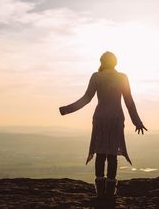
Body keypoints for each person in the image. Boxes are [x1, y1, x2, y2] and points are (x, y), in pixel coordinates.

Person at [59, 51, 147, 199]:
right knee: (112, 155)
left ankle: (100, 192)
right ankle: (110, 192)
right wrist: (137, 121)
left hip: (100, 119)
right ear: (115, 62)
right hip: (116, 119)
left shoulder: (96, 77)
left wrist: (66, 110)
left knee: (100, 154)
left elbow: (86, 98)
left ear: (102, 62)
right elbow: (129, 102)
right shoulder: (122, 77)